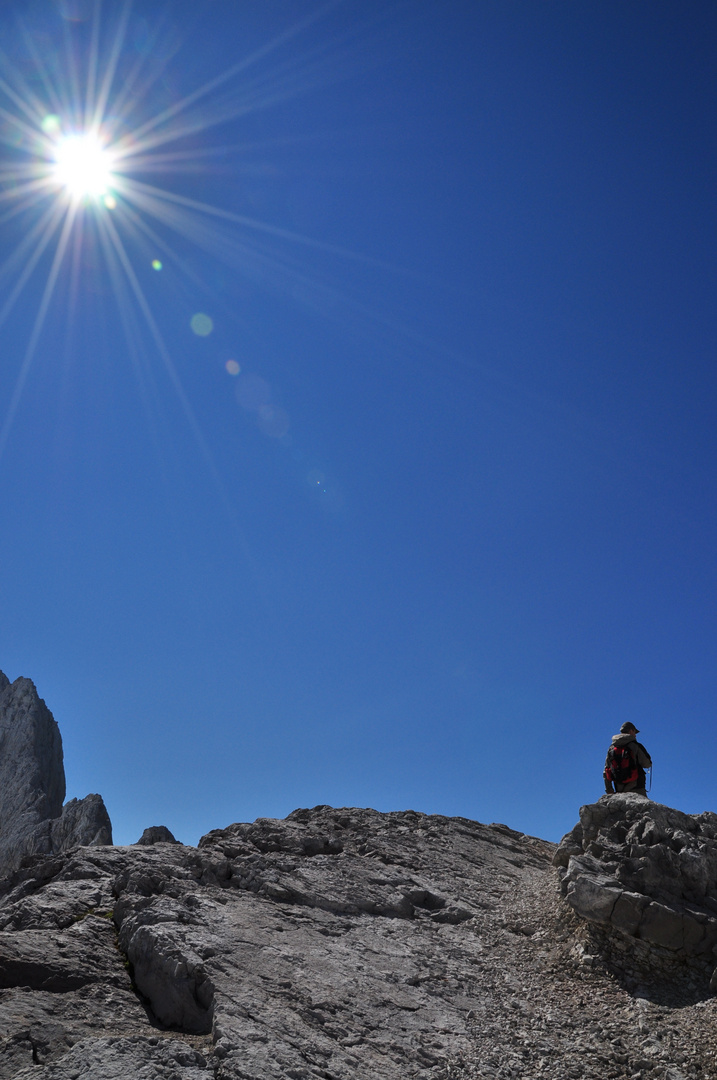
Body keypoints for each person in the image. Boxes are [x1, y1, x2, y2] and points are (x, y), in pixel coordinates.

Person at [604, 722, 652, 796]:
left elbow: (606, 770)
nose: (635, 735)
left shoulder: (612, 748)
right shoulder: (635, 745)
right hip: (637, 788)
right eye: (634, 732)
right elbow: (647, 764)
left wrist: (609, 789)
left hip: (619, 789)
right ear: (630, 731)